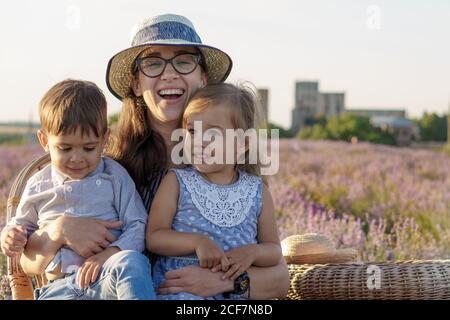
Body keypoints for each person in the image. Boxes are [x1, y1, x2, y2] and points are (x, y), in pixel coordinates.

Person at [15, 13, 290, 299]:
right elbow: (29, 264)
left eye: (184, 61)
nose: (169, 73)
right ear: (136, 84)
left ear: (202, 77)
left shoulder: (234, 169)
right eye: (153, 63)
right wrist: (60, 229)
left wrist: (225, 284)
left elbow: (279, 277)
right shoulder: (107, 164)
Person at [0, 79, 155, 300]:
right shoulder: (38, 184)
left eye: (89, 148)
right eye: (65, 148)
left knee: (133, 263)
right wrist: (9, 236)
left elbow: (138, 224)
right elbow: (20, 227)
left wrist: (109, 254)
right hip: (59, 288)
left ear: (104, 140)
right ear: (44, 140)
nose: (77, 158)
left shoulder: (114, 176)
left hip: (105, 280)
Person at [147, 82, 282, 300]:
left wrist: (254, 252)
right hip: (183, 290)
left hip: (234, 294)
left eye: (212, 134)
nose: (198, 142)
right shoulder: (177, 182)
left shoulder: (257, 191)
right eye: (192, 131)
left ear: (242, 143)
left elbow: (274, 250)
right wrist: (198, 242)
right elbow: (154, 237)